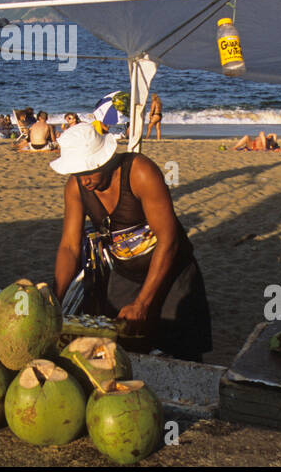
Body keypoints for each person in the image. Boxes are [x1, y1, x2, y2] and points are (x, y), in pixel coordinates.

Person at [51, 123, 212, 361]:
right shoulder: (75, 188)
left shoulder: (140, 172)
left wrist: (143, 303)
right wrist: (55, 298)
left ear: (104, 159)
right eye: (77, 173)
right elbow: (69, 247)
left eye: (89, 171)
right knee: (122, 351)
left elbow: (169, 240)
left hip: (172, 273)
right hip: (126, 274)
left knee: (181, 355)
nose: (84, 181)